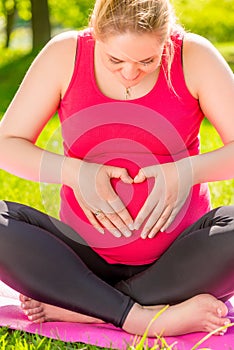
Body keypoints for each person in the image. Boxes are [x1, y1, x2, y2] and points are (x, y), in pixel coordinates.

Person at [0, 0, 234, 338]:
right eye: (115, 60)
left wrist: (186, 172)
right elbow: (7, 143)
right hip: (80, 263)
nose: (129, 72)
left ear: (167, 38)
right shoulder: (65, 54)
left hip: (178, 264)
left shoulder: (194, 56)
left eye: (148, 61)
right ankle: (142, 318)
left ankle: (86, 309)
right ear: (95, 33)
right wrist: (75, 173)